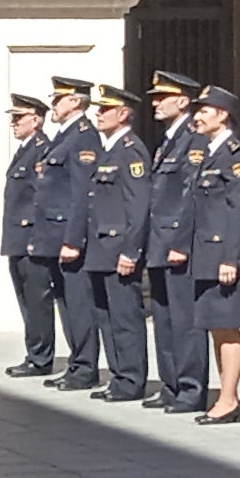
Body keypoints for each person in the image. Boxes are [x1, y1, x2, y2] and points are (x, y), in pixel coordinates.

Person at [179, 83, 240, 423]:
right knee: (214, 326)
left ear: (223, 115)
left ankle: (229, 399)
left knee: (227, 327)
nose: (197, 116)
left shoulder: (237, 157)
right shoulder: (210, 154)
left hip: (223, 257)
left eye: (205, 111)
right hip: (205, 255)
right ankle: (225, 396)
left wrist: (232, 258)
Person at [73, 87, 151, 399]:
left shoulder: (131, 150)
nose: (98, 114)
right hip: (100, 248)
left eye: (106, 109)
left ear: (123, 114)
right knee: (106, 316)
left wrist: (131, 251)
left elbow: (138, 205)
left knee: (125, 318)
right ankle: (119, 376)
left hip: (118, 249)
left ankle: (131, 379)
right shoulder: (109, 149)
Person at [140, 74, 201, 411]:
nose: (155, 102)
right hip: (159, 242)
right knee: (163, 318)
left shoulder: (193, 139)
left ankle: (191, 388)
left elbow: (190, 197)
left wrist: (181, 242)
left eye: (163, 96)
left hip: (178, 243)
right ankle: (171, 384)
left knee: (184, 320)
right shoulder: (168, 140)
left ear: (183, 101)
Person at [42, 76, 106, 386]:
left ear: (76, 102)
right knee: (66, 304)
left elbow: (82, 194)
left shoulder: (83, 137)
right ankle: (76, 363)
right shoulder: (64, 136)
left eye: (59, 99)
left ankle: (85, 368)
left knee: (79, 304)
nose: (53, 104)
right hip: (56, 235)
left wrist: (73, 239)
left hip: (70, 236)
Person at [0, 90, 60, 376]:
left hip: (31, 238)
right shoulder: (25, 149)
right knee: (26, 300)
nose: (14, 123)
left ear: (36, 120)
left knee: (37, 300)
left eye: (19, 118)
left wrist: (37, 237)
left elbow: (42, 198)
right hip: (16, 239)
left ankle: (41, 357)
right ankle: (34, 352)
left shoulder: (42, 150)